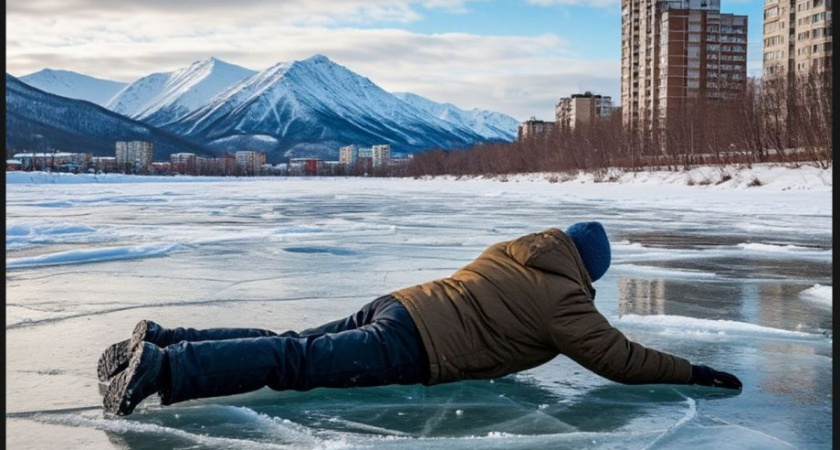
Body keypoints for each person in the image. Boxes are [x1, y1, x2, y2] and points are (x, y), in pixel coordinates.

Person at [99, 222, 742, 416]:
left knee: (291, 342)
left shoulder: (514, 250)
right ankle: (160, 368)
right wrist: (695, 370)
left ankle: (165, 338)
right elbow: (618, 360)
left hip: (400, 302)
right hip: (417, 343)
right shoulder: (566, 301)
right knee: (295, 363)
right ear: (589, 271)